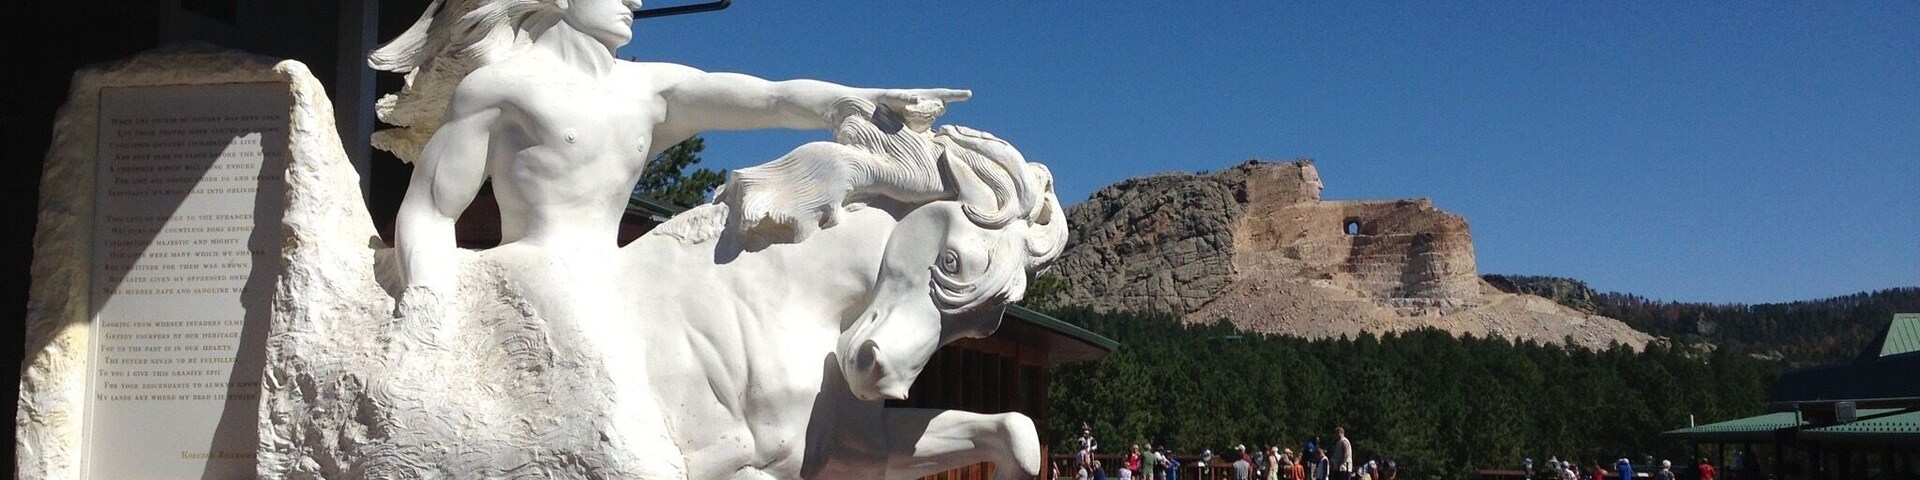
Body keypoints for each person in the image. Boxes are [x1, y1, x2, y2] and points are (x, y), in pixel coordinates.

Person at [381, 0, 970, 318]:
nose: (635, 0)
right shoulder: (501, 88)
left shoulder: (650, 91)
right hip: (536, 286)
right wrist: (428, 298)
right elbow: (430, 212)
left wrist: (859, 99)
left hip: (619, 284)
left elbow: (771, 95)